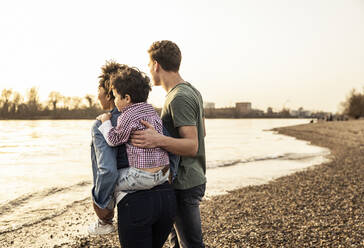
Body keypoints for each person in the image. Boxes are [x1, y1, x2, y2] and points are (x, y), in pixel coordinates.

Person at [89, 61, 177, 248]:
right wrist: (168, 178)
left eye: (99, 90)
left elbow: (108, 171)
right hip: (165, 197)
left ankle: (104, 221)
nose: (97, 96)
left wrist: (100, 203)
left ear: (110, 93)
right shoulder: (151, 113)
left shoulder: (103, 124)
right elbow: (173, 151)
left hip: (136, 203)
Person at [131, 40, 207, 248]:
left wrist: (157, 139)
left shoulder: (178, 98)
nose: (148, 69)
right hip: (187, 178)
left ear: (156, 65)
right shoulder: (189, 91)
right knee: (178, 243)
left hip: (185, 182)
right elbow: (203, 133)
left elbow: (192, 145)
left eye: (148, 64)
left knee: (191, 244)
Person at [97, 66, 170, 204]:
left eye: (116, 96)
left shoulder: (127, 116)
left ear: (127, 98)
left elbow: (113, 139)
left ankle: (105, 220)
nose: (115, 100)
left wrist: (105, 121)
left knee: (109, 184)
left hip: (142, 176)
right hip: (163, 174)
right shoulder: (151, 111)